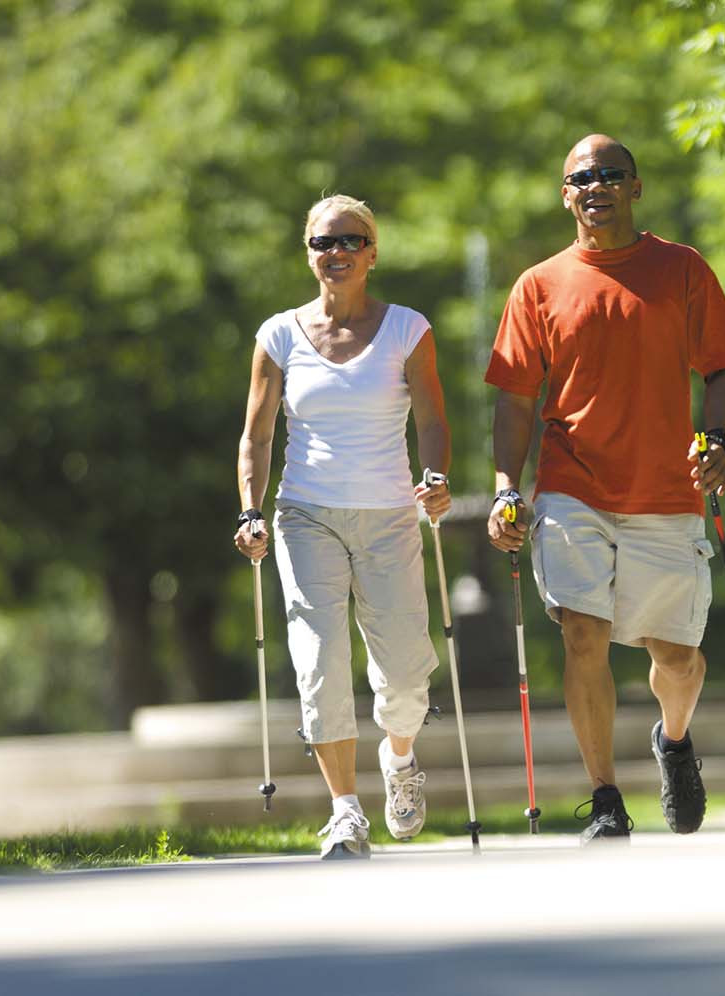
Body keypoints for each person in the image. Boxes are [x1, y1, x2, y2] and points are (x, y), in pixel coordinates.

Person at [485, 135, 725, 843]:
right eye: (581, 177)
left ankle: (673, 741)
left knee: (678, 659)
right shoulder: (538, 285)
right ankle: (605, 798)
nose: (595, 186)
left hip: (667, 491)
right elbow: (514, 398)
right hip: (572, 484)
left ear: (636, 187)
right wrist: (505, 488)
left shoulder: (681, 270)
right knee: (583, 633)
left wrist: (717, 439)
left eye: (610, 175)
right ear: (565, 194)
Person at [234, 194, 452, 859]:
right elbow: (257, 436)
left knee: (406, 673)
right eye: (324, 243)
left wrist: (436, 478)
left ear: (373, 252)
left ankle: (400, 755)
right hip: (305, 515)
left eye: (351, 242)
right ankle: (346, 811)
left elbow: (434, 421)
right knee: (320, 659)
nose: (337, 253)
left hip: (388, 514)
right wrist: (250, 509)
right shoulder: (278, 336)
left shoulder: (408, 329)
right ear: (308, 252)